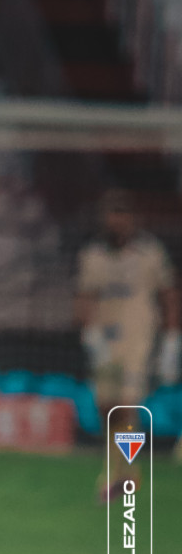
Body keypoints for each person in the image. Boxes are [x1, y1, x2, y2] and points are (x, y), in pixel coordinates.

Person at [76, 191, 180, 490]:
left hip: (138, 339)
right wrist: (91, 335)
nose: (116, 220)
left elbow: (168, 295)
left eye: (121, 213)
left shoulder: (149, 254)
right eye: (111, 213)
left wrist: (172, 339)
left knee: (127, 403)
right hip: (105, 342)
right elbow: (85, 298)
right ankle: (115, 465)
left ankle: (128, 472)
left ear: (132, 218)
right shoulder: (93, 256)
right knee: (106, 406)